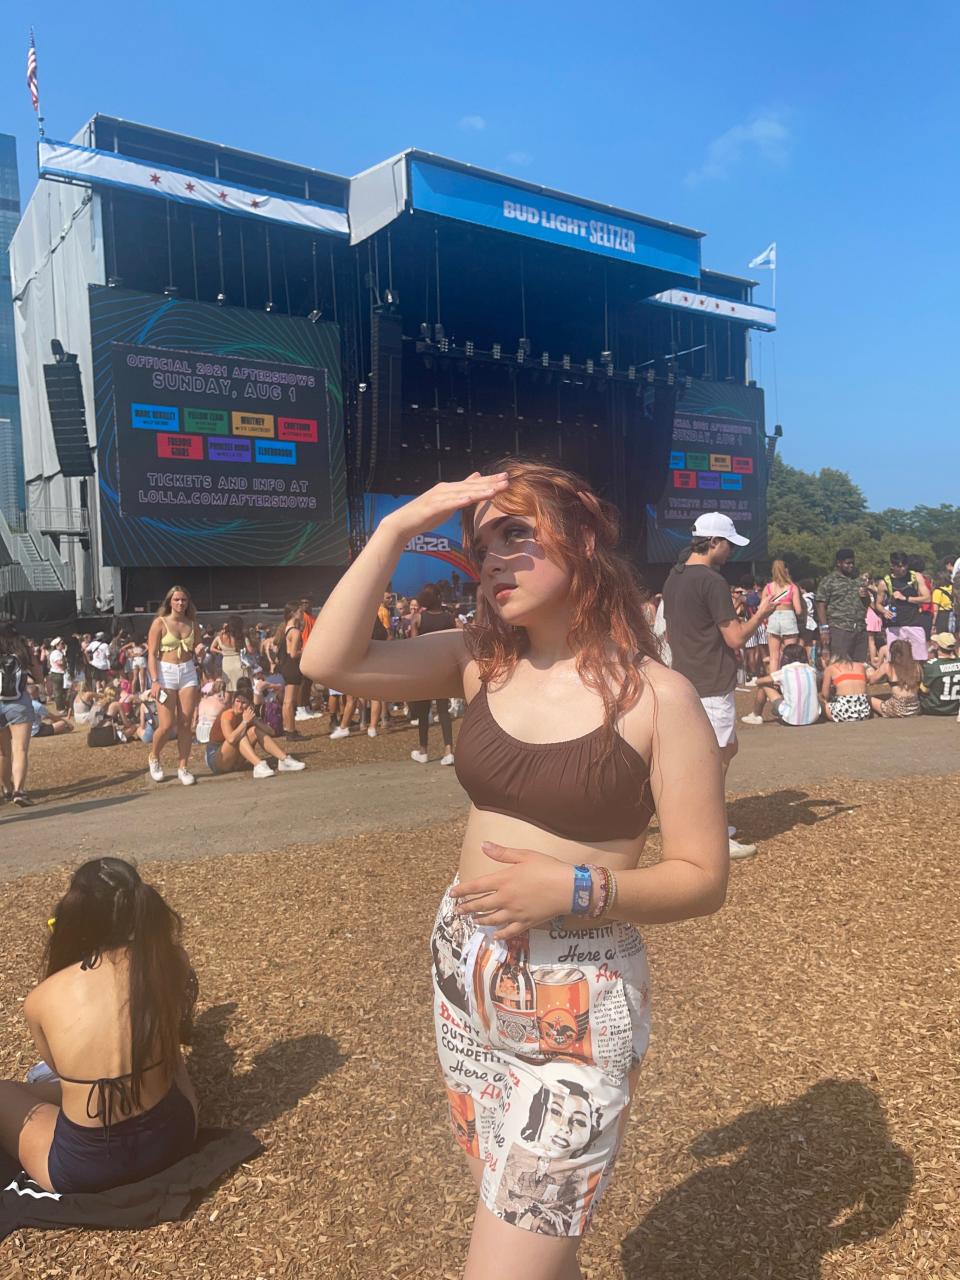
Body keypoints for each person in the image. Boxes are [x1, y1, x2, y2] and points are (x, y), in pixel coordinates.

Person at [301, 462, 729, 1276]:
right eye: (481, 543)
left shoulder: (658, 698)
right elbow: (327, 661)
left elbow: (704, 876)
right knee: (525, 1232)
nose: (493, 559)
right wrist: (396, 529)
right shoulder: (479, 662)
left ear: (585, 540)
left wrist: (575, 889)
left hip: (578, 995)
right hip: (464, 973)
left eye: (517, 535)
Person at [0, 858, 198, 1193]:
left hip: (87, 1169)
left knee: (5, 1091)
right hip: (175, 1136)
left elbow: (58, 1070)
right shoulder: (169, 962)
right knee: (171, 1058)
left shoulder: (42, 998)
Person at [662, 513, 777, 857]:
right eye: (728, 544)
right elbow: (736, 638)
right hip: (711, 677)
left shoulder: (675, 576)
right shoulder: (711, 581)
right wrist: (761, 613)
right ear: (713, 543)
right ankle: (709, 834)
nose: (731, 552)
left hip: (686, 674)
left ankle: (702, 823)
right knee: (714, 761)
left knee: (724, 749)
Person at [146, 585, 201, 786]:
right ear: (170, 601)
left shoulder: (193, 623)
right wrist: (154, 680)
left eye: (183, 600)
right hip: (165, 671)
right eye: (176, 599)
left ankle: (183, 766)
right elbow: (151, 654)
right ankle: (154, 756)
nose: (180, 603)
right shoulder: (159, 623)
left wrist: (201, 649)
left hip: (187, 670)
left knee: (186, 723)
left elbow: (197, 648)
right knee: (167, 724)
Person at [205, 678, 306, 778]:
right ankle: (258, 765)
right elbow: (231, 739)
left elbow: (271, 732)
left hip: (235, 759)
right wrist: (244, 722)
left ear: (249, 705)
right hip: (217, 757)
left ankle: (284, 760)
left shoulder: (247, 715)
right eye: (237, 701)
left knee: (254, 730)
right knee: (240, 735)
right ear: (233, 701)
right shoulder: (227, 715)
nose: (240, 706)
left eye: (244, 703)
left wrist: (254, 720)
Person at [408, 584, 457, 765]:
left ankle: (424, 751)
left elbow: (413, 646)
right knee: (443, 710)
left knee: (423, 711)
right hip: (443, 668)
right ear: (439, 596)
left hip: (424, 669)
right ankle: (448, 751)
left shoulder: (418, 618)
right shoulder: (448, 618)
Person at [0, 623, 41, 807]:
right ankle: (19, 791)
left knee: (2, 751)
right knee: (20, 749)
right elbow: (39, 677)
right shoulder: (22, 653)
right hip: (19, 703)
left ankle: (5, 789)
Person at [740, 642, 820, 726]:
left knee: (764, 685)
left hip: (792, 719)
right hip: (813, 718)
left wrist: (775, 681)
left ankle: (755, 715)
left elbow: (759, 681)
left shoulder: (785, 671)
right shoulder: (811, 671)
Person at [815, 549, 871, 665]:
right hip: (839, 628)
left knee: (859, 665)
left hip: (859, 629)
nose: (851, 566)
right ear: (838, 563)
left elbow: (867, 604)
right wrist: (824, 629)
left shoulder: (859, 580)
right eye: (847, 563)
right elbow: (821, 605)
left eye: (852, 563)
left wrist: (865, 596)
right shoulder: (829, 581)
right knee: (840, 665)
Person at [874, 551, 930, 662]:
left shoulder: (916, 577)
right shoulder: (885, 582)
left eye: (905, 565)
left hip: (914, 623)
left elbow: (927, 598)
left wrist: (906, 598)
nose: (903, 569)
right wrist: (884, 612)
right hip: (895, 626)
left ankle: (919, 677)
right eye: (899, 566)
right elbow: (878, 604)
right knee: (895, 659)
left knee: (920, 658)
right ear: (892, 566)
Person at [761, 560, 802, 673]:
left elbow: (762, 608)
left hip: (773, 618)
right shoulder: (792, 587)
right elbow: (798, 610)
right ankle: (791, 680)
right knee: (791, 655)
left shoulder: (768, 587)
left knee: (774, 656)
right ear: (785, 570)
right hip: (788, 618)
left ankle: (775, 682)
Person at [867, 639, 921, 718]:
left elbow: (872, 681)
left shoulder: (888, 666)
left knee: (867, 698)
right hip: (915, 707)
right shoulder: (916, 665)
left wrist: (870, 672)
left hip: (897, 709)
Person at [274, 603, 305, 739]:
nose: (302, 612)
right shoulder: (295, 631)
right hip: (293, 666)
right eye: (299, 610)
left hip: (286, 666)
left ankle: (288, 728)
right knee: (289, 701)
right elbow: (293, 653)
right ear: (293, 613)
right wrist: (305, 650)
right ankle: (291, 731)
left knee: (287, 701)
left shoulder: (285, 628)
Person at [821, 647, 871, 722]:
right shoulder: (861, 666)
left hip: (843, 713)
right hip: (864, 712)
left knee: (821, 702)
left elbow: (825, 694)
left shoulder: (831, 668)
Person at [918, 632, 960, 716]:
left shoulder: (932, 665)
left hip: (933, 708)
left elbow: (924, 690)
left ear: (937, 646)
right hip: (955, 707)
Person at [210, 616, 246, 692]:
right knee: (240, 688)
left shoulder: (220, 637)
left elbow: (211, 648)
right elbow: (249, 649)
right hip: (238, 661)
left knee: (228, 688)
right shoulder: (239, 637)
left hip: (226, 662)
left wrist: (221, 652)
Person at [47, 638, 67, 712]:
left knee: (62, 691)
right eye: (62, 643)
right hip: (57, 674)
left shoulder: (60, 652)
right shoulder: (56, 653)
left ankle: (63, 706)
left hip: (61, 673)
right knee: (58, 692)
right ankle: (60, 708)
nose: (63, 645)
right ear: (57, 645)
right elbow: (60, 662)